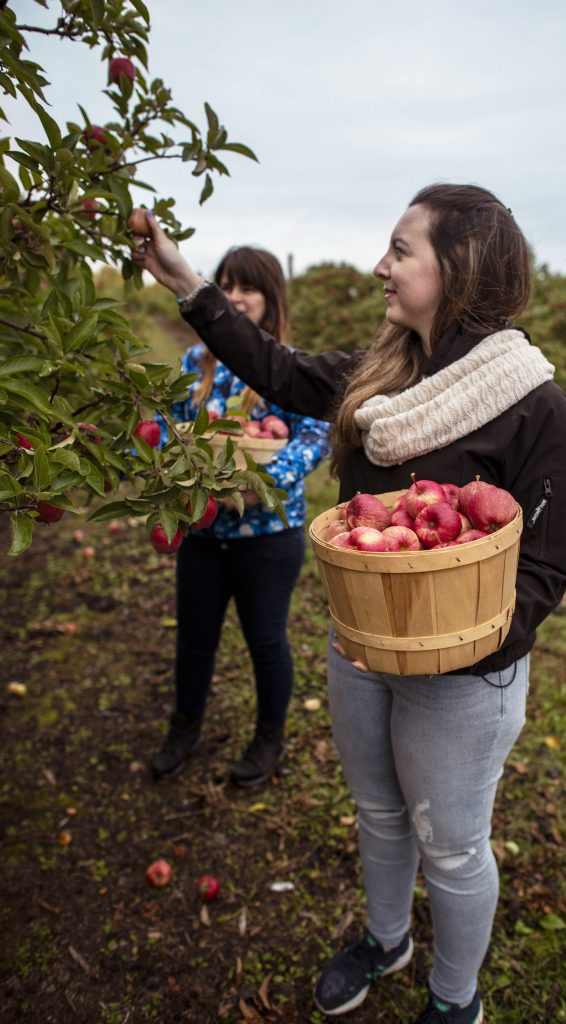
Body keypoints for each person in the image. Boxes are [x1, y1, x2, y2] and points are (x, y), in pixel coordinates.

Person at [133, 185, 566, 1024]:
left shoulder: (535, 408)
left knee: (450, 848)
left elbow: (545, 573)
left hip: (462, 676)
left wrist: (450, 648)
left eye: (399, 250)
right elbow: (280, 368)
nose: (381, 266)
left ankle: (456, 998)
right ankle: (387, 940)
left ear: (458, 268)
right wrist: (186, 285)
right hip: (360, 651)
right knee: (377, 813)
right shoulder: (381, 378)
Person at [151, 245, 331, 787]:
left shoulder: (289, 367)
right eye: (225, 285)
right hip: (204, 530)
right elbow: (167, 429)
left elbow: (315, 436)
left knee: (267, 640)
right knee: (194, 638)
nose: (234, 296)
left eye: (247, 286)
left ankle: (269, 737)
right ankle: (184, 729)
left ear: (271, 297)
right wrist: (165, 464)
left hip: (270, 534)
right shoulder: (194, 363)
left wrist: (260, 484)